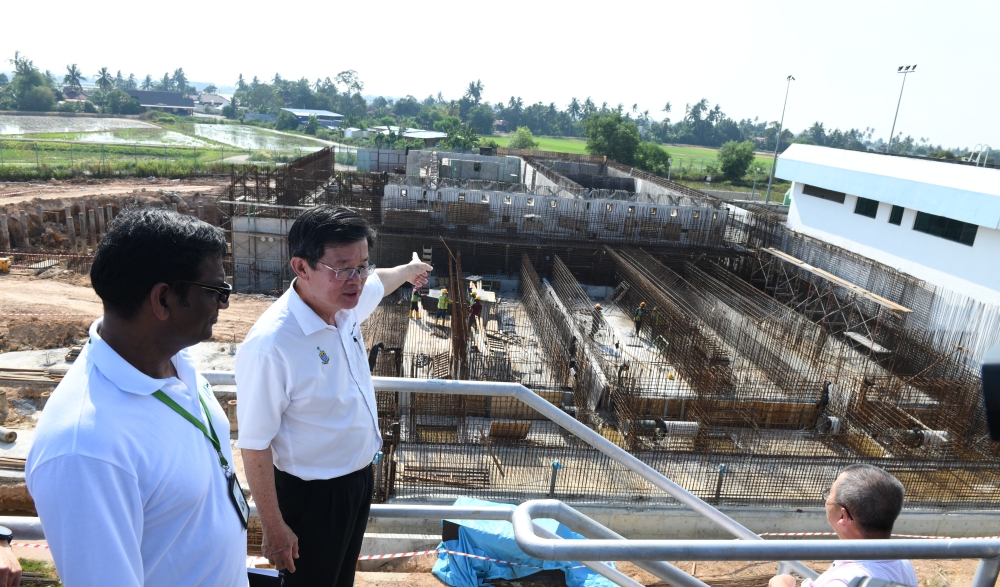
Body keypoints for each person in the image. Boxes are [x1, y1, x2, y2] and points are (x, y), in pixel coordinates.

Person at [26, 209, 246, 587]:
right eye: (216, 291)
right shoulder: (87, 448)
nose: (223, 305)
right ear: (162, 299)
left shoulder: (175, 360)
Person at [236, 205, 431, 587]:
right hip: (312, 499)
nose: (356, 279)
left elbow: (381, 281)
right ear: (301, 267)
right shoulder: (272, 345)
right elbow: (255, 444)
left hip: (357, 482)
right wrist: (273, 526)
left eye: (362, 266)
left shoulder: (343, 306)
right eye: (343, 268)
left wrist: (410, 270)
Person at [769, 465, 918, 587]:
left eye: (829, 494)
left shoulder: (844, 581)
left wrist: (780, 584)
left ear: (842, 516)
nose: (826, 499)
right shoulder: (901, 562)